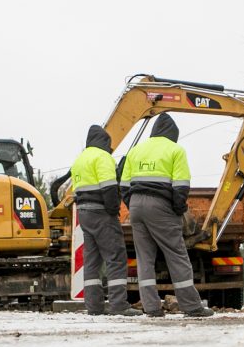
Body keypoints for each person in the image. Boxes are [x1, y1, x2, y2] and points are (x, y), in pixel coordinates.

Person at [120, 114, 213, 318]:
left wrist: (133, 204)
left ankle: (151, 307)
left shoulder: (135, 150)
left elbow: (124, 186)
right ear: (173, 134)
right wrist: (177, 210)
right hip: (161, 205)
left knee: (144, 258)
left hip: (135, 206)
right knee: (176, 254)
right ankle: (192, 306)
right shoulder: (175, 149)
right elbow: (181, 186)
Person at [70, 125, 142, 317]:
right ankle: (119, 305)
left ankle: (94, 306)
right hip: (101, 213)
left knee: (92, 261)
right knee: (115, 257)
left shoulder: (80, 159)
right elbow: (109, 188)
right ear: (105, 142)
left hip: (84, 213)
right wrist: (113, 209)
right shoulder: (103, 157)